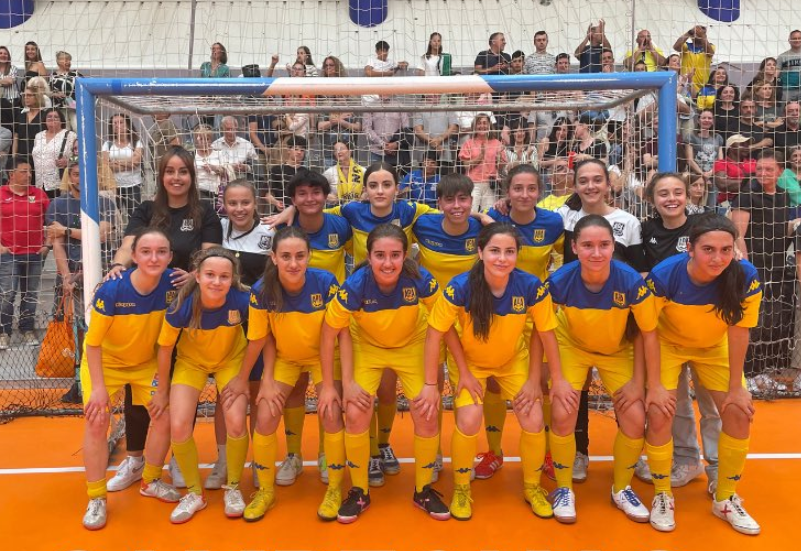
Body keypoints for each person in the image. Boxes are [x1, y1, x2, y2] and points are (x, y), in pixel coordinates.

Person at [105, 146, 223, 494]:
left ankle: (174, 454)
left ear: (191, 175)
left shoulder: (204, 212)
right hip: (145, 310)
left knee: (172, 385)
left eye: (182, 171)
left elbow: (211, 253)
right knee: (141, 385)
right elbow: (129, 244)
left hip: (186, 311)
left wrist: (196, 274)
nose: (176, 177)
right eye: (170, 171)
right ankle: (137, 458)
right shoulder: (146, 209)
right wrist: (116, 264)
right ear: (161, 175)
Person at [426, 223, 559, 520]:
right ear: (480, 252)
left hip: (513, 361)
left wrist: (541, 379)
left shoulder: (530, 286)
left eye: (509, 251)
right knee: (470, 418)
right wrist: (441, 379)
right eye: (495, 251)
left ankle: (532, 487)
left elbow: (545, 333)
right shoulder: (460, 287)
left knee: (534, 418)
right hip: (470, 364)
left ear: (517, 254)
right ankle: (461, 487)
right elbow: (436, 332)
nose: (502, 258)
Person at [645, 213, 763, 535]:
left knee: (738, 412)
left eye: (726, 250)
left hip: (715, 346)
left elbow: (739, 331)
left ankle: (724, 497)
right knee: (658, 412)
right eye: (708, 249)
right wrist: (654, 385)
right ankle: (662, 494)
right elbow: (649, 331)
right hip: (668, 344)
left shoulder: (745, 276)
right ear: (690, 249)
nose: (718, 258)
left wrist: (737, 388)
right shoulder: (664, 275)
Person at [322, 223, 448, 523]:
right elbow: (329, 334)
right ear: (369, 255)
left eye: (395, 255)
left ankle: (423, 489)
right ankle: (359, 491)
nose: (388, 263)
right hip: (367, 345)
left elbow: (443, 323)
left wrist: (434, 381)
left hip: (412, 343)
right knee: (355, 412)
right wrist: (335, 384)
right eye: (380, 255)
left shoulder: (419, 278)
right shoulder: (355, 284)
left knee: (427, 411)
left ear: (406, 255)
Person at [224, 227, 344, 521]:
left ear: (309, 256)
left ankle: (336, 489)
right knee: (265, 414)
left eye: (300, 256)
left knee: (330, 412)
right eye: (286, 256)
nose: (294, 263)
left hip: (325, 356)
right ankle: (265, 490)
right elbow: (261, 338)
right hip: (285, 359)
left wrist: (328, 385)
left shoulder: (326, 282)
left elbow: (334, 336)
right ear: (274, 257)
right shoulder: (262, 291)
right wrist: (254, 380)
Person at [546, 214, 659, 525]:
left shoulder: (630, 280)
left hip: (617, 350)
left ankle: (621, 488)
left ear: (613, 246)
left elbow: (647, 332)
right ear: (574, 247)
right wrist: (555, 377)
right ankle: (564, 488)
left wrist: (641, 382)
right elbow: (542, 329)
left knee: (635, 419)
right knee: (562, 411)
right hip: (572, 346)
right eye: (587, 245)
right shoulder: (560, 280)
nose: (596, 253)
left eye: (604, 245)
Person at [79, 228, 181, 530]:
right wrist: (98, 388)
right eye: (146, 251)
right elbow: (93, 344)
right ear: (134, 256)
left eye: (161, 251)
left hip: (144, 363)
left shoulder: (173, 283)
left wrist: (162, 388)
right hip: (105, 363)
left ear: (170, 257)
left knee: (163, 416)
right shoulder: (112, 290)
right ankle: (96, 497)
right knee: (97, 421)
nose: (154, 257)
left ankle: (150, 480)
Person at [639, 173, 722, 490]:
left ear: (689, 195)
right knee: (678, 404)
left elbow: (727, 258)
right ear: (652, 198)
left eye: (677, 192)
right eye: (663, 193)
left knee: (712, 403)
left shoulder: (705, 225)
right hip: (668, 331)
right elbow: (645, 275)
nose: (671, 198)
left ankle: (717, 468)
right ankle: (687, 461)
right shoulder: (647, 231)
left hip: (707, 328)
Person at [158, 247, 251, 523]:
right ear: (197, 276)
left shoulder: (242, 300)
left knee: (236, 421)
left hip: (231, 361)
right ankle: (195, 493)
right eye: (210, 275)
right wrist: (161, 391)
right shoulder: (182, 306)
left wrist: (244, 377)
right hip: (191, 363)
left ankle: (233, 487)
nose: (217, 282)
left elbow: (259, 338)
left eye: (224, 276)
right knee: (179, 424)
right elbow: (164, 349)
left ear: (232, 278)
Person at [730, 150, 797, 384]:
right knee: (753, 321)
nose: (763, 173)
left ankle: (770, 369)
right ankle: (748, 373)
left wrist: (795, 225)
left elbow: (779, 228)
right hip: (756, 266)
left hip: (778, 265)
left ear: (780, 171)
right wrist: (748, 269)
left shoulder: (784, 196)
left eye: (769, 169)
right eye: (759, 169)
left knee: (774, 319)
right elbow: (738, 234)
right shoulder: (747, 195)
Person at [0, 157, 49, 350]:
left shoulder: (39, 194)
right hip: (8, 254)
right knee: (8, 294)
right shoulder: (1, 194)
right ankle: (4, 332)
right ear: (11, 174)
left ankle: (27, 329)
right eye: (24, 171)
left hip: (35, 254)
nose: (29, 175)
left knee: (30, 294)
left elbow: (52, 221)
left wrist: (48, 245)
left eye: (30, 171)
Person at [459, 114, 508, 212]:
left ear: (490, 125)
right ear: (475, 126)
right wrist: (481, 156)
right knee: (471, 212)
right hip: (473, 183)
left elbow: (501, 167)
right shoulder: (468, 143)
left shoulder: (496, 143)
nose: (482, 125)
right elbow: (465, 166)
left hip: (491, 184)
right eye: (479, 123)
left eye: (485, 123)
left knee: (490, 212)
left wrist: (500, 160)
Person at [102, 113, 143, 220]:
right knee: (114, 218)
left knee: (134, 217)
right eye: (114, 123)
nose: (117, 125)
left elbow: (135, 163)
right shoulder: (108, 144)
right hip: (114, 187)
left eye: (120, 122)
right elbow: (105, 165)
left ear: (128, 125)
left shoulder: (136, 143)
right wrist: (128, 163)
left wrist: (116, 162)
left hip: (133, 186)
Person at [31, 108, 74, 198]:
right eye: (49, 117)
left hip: (60, 183)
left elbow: (80, 155)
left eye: (56, 117)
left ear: (61, 121)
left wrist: (69, 161)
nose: (52, 118)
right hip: (39, 183)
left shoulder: (70, 135)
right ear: (44, 120)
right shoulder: (38, 136)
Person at [685, 109, 724, 204]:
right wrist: (702, 175)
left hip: (713, 176)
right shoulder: (691, 137)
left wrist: (711, 173)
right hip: (695, 177)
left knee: (711, 206)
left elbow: (720, 160)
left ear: (713, 121)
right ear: (698, 120)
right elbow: (689, 160)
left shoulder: (718, 137)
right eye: (704, 118)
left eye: (710, 118)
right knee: (695, 204)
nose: (707, 120)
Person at [713, 134, 756, 208]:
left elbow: (760, 183)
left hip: (752, 202)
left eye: (747, 145)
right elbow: (722, 184)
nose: (747, 147)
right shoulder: (721, 163)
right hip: (728, 203)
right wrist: (749, 181)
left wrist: (731, 180)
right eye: (742, 144)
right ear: (731, 147)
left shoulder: (753, 162)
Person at [267, 136, 306, 212]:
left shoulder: (306, 172)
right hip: (281, 212)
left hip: (301, 213)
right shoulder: (277, 170)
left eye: (302, 150)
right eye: (296, 149)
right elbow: (267, 194)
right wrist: (276, 202)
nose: (299, 152)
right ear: (288, 150)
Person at [673, 25, 716, 95]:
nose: (697, 33)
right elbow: (676, 47)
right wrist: (689, 33)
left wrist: (703, 35)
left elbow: (709, 53)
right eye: (696, 31)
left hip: (702, 88)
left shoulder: (711, 46)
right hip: (685, 86)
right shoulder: (686, 46)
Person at [212, 116, 257, 181]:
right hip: (221, 181)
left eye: (232, 129)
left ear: (236, 128)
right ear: (222, 129)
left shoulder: (247, 145)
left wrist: (246, 167)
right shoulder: (215, 145)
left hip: (242, 180)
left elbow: (257, 166)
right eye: (227, 129)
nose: (230, 132)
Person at [192, 123, 227, 205]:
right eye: (201, 139)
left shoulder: (219, 154)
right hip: (196, 192)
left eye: (207, 139)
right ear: (196, 139)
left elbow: (225, 172)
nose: (204, 142)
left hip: (214, 192)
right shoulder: (191, 154)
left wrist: (213, 168)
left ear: (211, 140)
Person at [322, 140, 365, 205]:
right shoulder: (329, 172)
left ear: (350, 151)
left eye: (341, 149)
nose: (338, 152)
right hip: (336, 208)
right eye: (335, 150)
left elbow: (369, 189)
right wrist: (327, 196)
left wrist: (365, 195)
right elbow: (320, 191)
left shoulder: (363, 171)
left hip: (358, 207)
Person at [50, 51, 82, 130]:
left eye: (69, 60)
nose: (68, 62)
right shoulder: (53, 76)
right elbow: (50, 90)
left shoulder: (76, 74)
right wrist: (55, 94)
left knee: (77, 127)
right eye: (65, 60)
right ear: (58, 61)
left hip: (74, 106)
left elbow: (84, 87)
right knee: (65, 130)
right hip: (60, 107)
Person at [777, 29, 801, 104]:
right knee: (786, 110)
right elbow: (776, 74)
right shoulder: (782, 57)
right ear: (789, 40)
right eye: (794, 38)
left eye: (799, 38)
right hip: (787, 91)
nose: (797, 40)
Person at [0, 46, 20, 131]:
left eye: (5, 53)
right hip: (1, 102)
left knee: (14, 127)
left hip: (13, 101)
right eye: (0, 53)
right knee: (4, 128)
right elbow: (5, 81)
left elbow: (10, 81)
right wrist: (3, 81)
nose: (3, 55)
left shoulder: (13, 68)